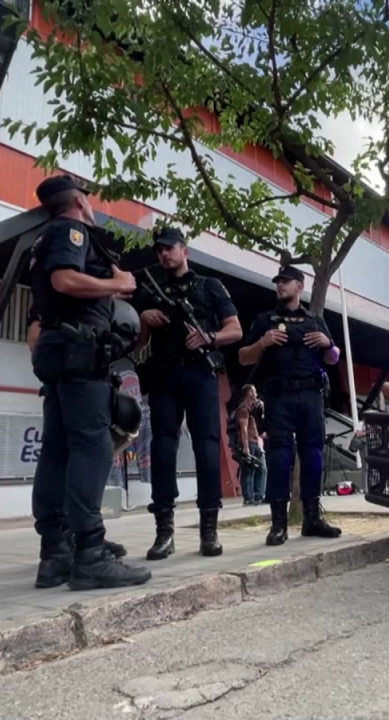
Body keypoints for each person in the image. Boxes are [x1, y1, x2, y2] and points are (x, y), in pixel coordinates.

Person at [26, 174, 151, 591]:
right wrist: (117, 284)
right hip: (80, 351)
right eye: (89, 200)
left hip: (60, 350)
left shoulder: (42, 239)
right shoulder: (70, 231)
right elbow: (64, 280)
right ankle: (90, 555)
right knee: (91, 446)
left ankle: (55, 553)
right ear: (79, 201)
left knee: (58, 450)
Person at [135, 226, 242, 559]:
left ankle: (208, 530)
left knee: (208, 450)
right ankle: (164, 531)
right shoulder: (150, 288)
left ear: (185, 251)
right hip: (165, 375)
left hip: (200, 374)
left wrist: (209, 337)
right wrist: (143, 317)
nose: (164, 254)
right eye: (159, 250)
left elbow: (235, 330)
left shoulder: (210, 286)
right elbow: (138, 343)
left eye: (169, 248)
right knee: (163, 451)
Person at [239, 265, 343, 545]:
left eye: (286, 281)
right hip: (279, 397)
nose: (280, 286)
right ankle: (278, 524)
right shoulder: (265, 320)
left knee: (313, 456)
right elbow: (243, 357)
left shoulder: (315, 319)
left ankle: (312, 519)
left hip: (310, 396)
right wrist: (262, 342)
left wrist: (327, 343)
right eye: (278, 282)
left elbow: (333, 358)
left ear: (300, 286)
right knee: (279, 459)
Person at [234, 385, 267, 505]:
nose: (256, 394)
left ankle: (258, 495)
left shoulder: (251, 409)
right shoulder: (243, 410)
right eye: (255, 392)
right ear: (249, 393)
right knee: (248, 471)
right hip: (249, 443)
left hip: (255, 442)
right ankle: (248, 497)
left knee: (261, 469)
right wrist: (245, 446)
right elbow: (243, 429)